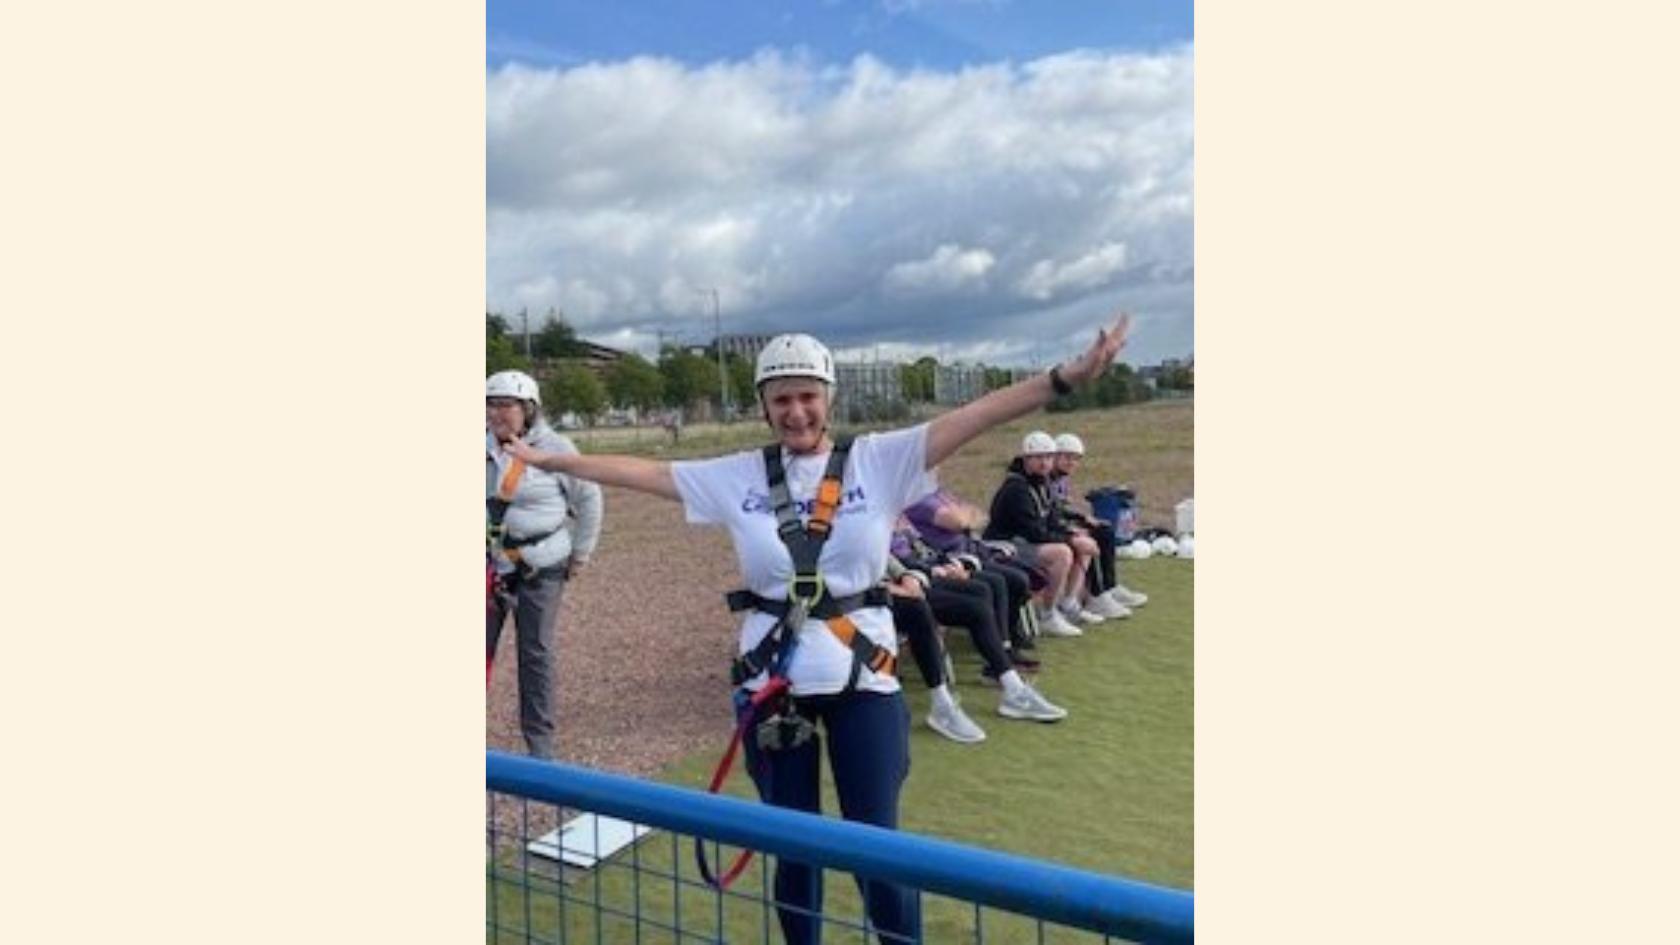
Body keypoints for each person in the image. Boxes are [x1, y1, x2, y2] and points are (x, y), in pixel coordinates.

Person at [504, 314, 1130, 945]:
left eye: (808, 396)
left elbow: (979, 415)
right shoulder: (738, 473)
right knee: (794, 853)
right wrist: (547, 458)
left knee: (877, 851)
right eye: (782, 399)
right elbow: (646, 473)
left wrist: (1064, 378)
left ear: (828, 398)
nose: (796, 411)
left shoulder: (879, 461)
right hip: (773, 685)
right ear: (764, 406)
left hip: (866, 681)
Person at [485, 370, 604, 760]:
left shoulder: (555, 447)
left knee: (535, 653)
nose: (496, 413)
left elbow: (589, 499)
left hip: (542, 566)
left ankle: (540, 747)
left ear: (528, 409)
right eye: (491, 405)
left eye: (506, 405)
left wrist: (581, 554)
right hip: (492, 566)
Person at [891, 517, 1065, 721]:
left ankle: (1009, 682)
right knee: (928, 610)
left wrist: (943, 566)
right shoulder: (867, 517)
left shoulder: (887, 511)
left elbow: (916, 550)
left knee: (981, 592)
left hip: (917, 576)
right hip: (884, 592)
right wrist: (919, 574)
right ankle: (944, 703)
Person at [983, 433, 1124, 636]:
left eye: (1048, 457)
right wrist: (1071, 540)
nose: (1044, 463)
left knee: (1082, 542)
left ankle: (1069, 604)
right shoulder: (1016, 488)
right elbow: (1033, 532)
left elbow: (1052, 519)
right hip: (1005, 545)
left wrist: (1074, 534)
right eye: (1038, 457)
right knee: (1062, 553)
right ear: (1026, 459)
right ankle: (1048, 615)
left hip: (1024, 541)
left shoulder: (1041, 483)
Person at [883, 558, 988, 744]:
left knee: (979, 598)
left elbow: (882, 552)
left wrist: (905, 575)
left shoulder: (867, 529)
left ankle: (942, 704)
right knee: (917, 610)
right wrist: (886, 588)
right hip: (839, 602)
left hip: (882, 589)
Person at [1050, 432, 1147, 610]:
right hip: (1048, 529)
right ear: (1054, 456)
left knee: (1105, 530)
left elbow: (1061, 508)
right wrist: (1076, 524)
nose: (1071, 462)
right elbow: (1051, 511)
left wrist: (1082, 518)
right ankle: (1097, 594)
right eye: (1067, 457)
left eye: (1076, 459)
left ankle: (1109, 587)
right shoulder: (1047, 479)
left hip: (1057, 524)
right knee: (1094, 536)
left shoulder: (1061, 479)